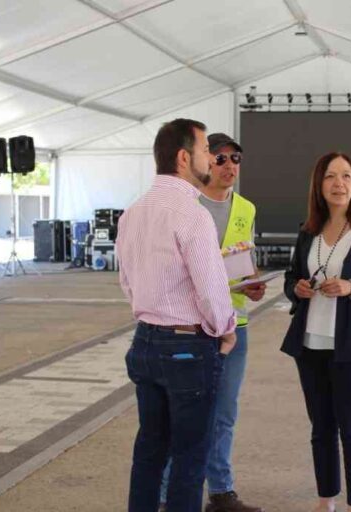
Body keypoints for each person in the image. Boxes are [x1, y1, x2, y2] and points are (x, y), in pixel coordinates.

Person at [116, 118, 237, 512]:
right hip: (187, 345)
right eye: (207, 151)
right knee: (189, 457)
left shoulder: (132, 212)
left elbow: (127, 282)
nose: (213, 158)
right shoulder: (192, 213)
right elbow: (212, 288)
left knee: (150, 450)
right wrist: (226, 329)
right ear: (184, 158)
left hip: (145, 340)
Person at [282, 152, 351, 512]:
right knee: (321, 429)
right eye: (331, 176)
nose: (339, 183)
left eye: (346, 176)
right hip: (311, 342)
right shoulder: (308, 230)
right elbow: (290, 276)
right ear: (319, 184)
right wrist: (296, 289)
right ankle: (326, 499)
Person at [159, 133, 265, 512]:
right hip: (191, 325)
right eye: (220, 158)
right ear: (205, 163)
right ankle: (167, 493)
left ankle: (221, 491)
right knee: (183, 412)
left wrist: (252, 284)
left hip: (235, 323)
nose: (229, 165)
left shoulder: (247, 208)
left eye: (235, 158)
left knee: (224, 413)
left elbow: (243, 259)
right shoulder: (187, 207)